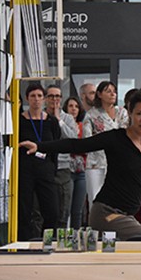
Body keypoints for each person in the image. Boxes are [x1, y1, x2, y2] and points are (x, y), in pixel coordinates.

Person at [20, 87, 141, 239]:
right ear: (130, 114)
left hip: (127, 216)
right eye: (139, 114)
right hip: (107, 213)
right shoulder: (116, 138)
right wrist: (40, 146)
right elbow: (75, 144)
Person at [18, 83, 61, 241]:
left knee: (52, 210)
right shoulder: (19, 120)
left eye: (39, 96)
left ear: (44, 99)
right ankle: (24, 243)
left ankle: (48, 242)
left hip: (45, 169)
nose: (36, 100)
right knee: (24, 210)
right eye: (32, 96)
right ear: (27, 99)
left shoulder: (51, 121)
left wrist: (52, 168)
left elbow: (56, 145)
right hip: (25, 170)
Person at [83, 81, 127, 213]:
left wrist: (103, 137)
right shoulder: (91, 114)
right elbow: (87, 140)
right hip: (95, 164)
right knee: (95, 200)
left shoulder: (122, 112)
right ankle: (97, 232)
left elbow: (126, 136)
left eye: (114, 91)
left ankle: (113, 232)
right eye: (108, 91)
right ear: (99, 94)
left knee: (116, 201)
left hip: (117, 164)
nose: (112, 94)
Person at [46, 85, 80, 228]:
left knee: (63, 210)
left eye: (57, 96)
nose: (54, 99)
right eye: (51, 96)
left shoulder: (67, 118)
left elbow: (72, 138)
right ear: (46, 98)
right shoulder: (41, 116)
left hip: (63, 167)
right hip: (46, 166)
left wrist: (59, 121)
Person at [63, 97, 87, 229]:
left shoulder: (83, 126)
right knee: (65, 208)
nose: (73, 109)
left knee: (78, 210)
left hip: (82, 170)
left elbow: (83, 146)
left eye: (76, 106)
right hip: (67, 169)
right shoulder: (62, 123)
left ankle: (76, 237)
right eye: (70, 106)